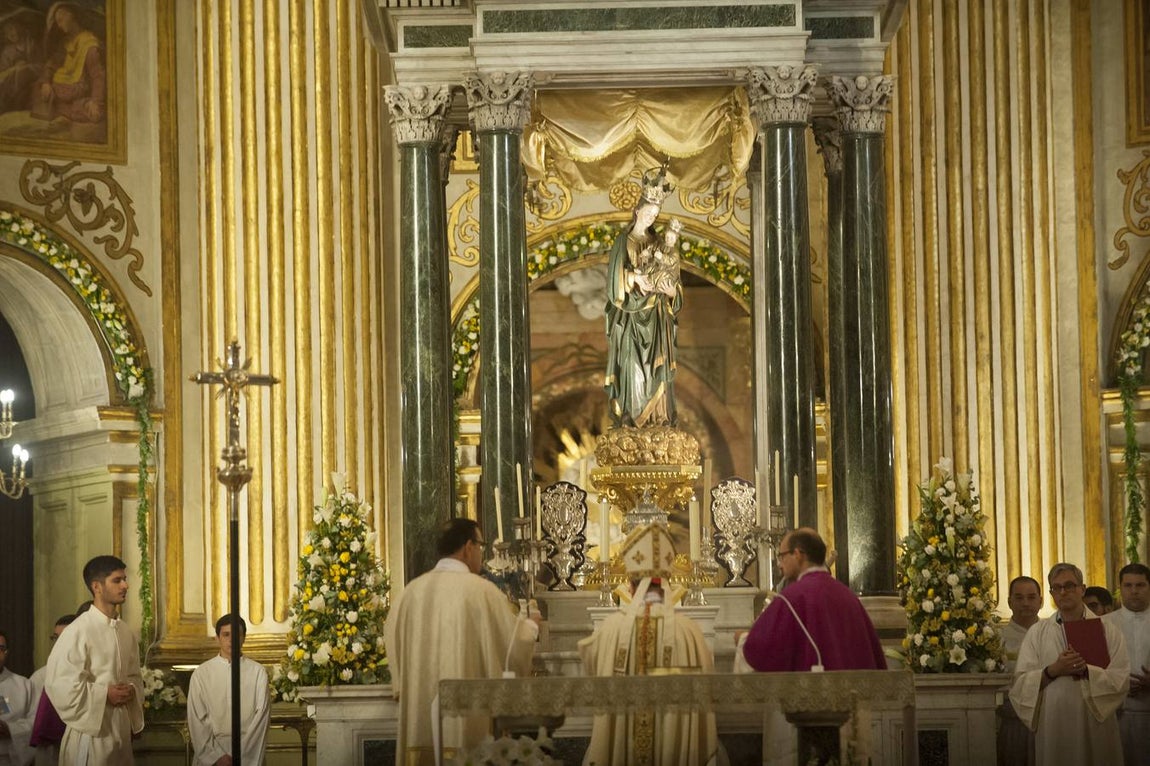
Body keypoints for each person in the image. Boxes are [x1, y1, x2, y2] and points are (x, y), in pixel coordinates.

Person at [384, 518, 540, 766]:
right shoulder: (482, 591)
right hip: (469, 720)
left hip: (419, 714)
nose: (481, 553)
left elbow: (392, 637)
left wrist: (402, 686)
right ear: (468, 547)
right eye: (481, 546)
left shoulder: (411, 592)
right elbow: (512, 646)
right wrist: (531, 627)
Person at [577, 523, 727, 766]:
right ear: (667, 582)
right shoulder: (689, 633)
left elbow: (592, 669)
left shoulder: (611, 629)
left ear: (630, 585)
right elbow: (704, 691)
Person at [1009, 562, 1129, 765]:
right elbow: (1020, 685)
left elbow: (1120, 677)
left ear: (1082, 589)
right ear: (1051, 593)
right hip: (1054, 722)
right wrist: (1052, 671)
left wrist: (1087, 671)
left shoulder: (1107, 630)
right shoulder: (1037, 633)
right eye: (1056, 587)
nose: (1063, 592)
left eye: (1069, 586)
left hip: (1094, 722)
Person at [739, 528, 886, 672]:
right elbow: (874, 656)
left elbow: (761, 652)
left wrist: (742, 639)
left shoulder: (791, 598)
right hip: (853, 688)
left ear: (797, 554)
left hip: (814, 688)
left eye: (782, 556)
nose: (780, 564)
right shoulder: (849, 597)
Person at [44, 555, 144, 765]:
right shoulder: (77, 631)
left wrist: (131, 689)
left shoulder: (125, 631)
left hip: (120, 732)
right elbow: (60, 684)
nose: (125, 586)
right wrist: (105, 694)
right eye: (117, 580)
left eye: (125, 579)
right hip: (90, 734)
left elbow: (134, 675)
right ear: (97, 586)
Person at [604, 165, 683, 428]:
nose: (651, 218)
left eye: (655, 215)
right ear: (637, 211)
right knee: (633, 366)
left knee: (657, 369)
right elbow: (613, 283)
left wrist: (671, 292)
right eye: (648, 212)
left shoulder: (660, 244)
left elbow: (674, 279)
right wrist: (633, 279)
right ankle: (632, 420)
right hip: (630, 319)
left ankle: (658, 420)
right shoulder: (623, 241)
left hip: (657, 317)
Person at [187, 614, 270, 766]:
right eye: (226, 635)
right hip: (212, 753)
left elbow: (261, 717)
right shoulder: (202, 674)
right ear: (217, 638)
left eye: (237, 634)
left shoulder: (258, 672)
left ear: (244, 638)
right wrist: (216, 757)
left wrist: (243, 756)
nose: (231, 640)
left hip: (249, 752)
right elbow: (197, 719)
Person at [30, 3, 105, 129]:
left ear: (70, 16)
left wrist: (96, 101)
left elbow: (97, 75)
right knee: (38, 88)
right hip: (59, 88)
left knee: (93, 112)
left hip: (77, 89)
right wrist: (46, 82)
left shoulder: (89, 42)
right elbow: (52, 64)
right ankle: (65, 109)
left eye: (60, 20)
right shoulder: (65, 42)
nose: (59, 25)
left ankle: (67, 109)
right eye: (57, 22)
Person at [1104, 563, 1150, 765]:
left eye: (1140, 585)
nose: (1134, 591)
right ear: (1120, 588)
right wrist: (1118, 683)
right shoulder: (1103, 624)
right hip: (1115, 714)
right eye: (1128, 585)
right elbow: (1092, 669)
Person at [998, 576, 1041, 766]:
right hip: (1012, 720)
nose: (1025, 603)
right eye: (1019, 597)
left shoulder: (1054, 633)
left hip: (1048, 720)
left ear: (1041, 601)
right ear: (1009, 602)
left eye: (1031, 597)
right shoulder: (997, 639)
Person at [28, 615, 75, 766]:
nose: (57, 643)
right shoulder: (40, 677)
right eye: (55, 638)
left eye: (64, 638)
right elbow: (32, 720)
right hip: (49, 752)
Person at [0, 630, 35, 766]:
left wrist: (10, 729)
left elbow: (35, 722)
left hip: (11, 760)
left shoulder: (24, 685)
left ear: (6, 652)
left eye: (0, 648)